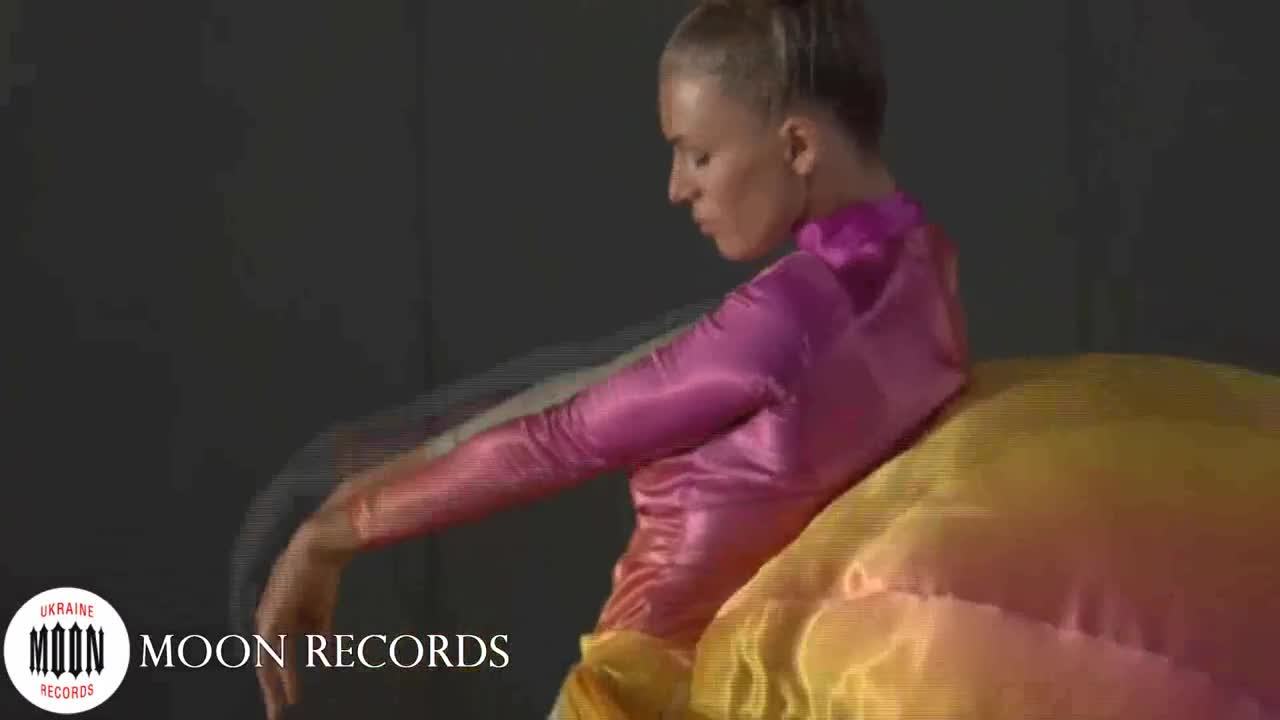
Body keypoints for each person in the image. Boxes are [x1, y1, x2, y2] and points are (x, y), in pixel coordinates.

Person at [253, 0, 970, 716]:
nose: (677, 187)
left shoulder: (789, 319)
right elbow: (600, 389)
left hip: (649, 694)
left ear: (798, 146)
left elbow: (555, 440)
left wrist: (332, 534)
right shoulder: (925, 272)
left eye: (698, 154)